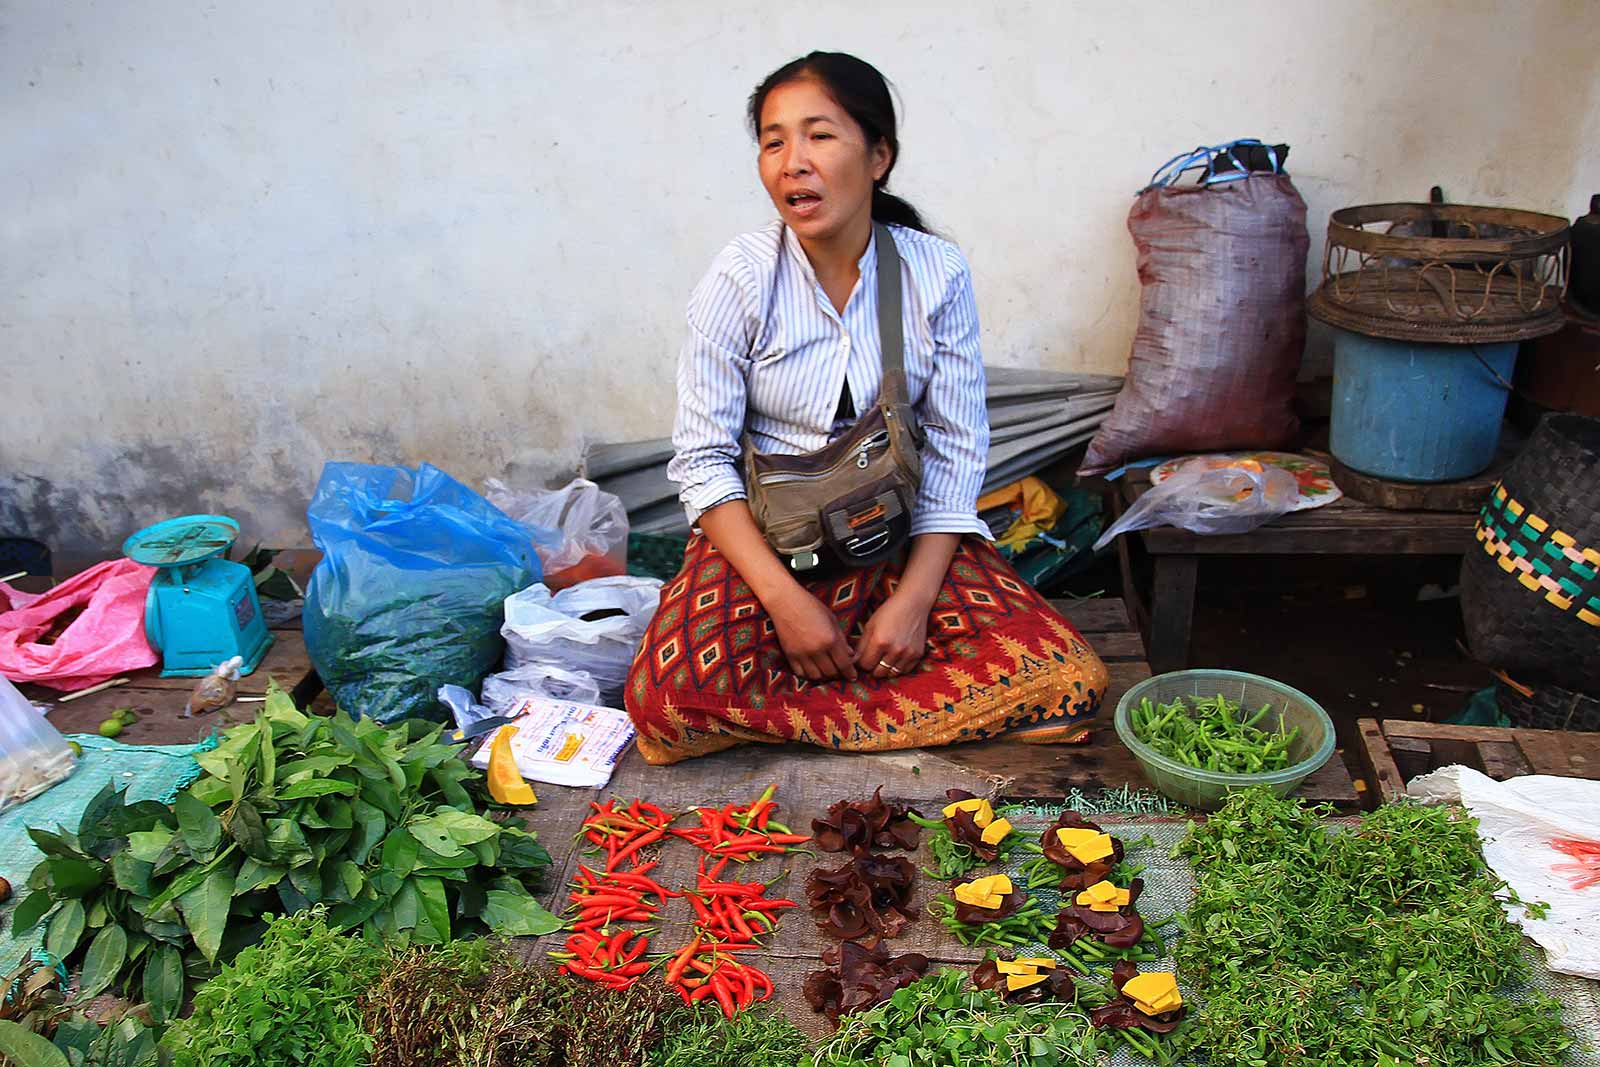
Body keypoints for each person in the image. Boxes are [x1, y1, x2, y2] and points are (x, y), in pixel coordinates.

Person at [624, 51, 1107, 764]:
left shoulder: (934, 272)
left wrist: (912, 604)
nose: (793, 162)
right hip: (768, 544)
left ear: (878, 156)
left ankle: (798, 712)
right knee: (664, 704)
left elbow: (954, 450)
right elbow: (702, 463)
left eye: (819, 135)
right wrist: (788, 606)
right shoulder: (740, 277)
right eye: (773, 140)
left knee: (1067, 678)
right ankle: (896, 706)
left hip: (900, 537)